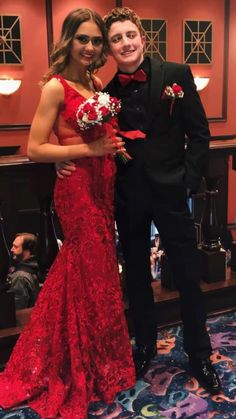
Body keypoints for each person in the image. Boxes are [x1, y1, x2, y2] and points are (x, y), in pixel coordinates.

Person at [57, 7, 222, 394]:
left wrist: (187, 183)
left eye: (129, 35)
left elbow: (199, 134)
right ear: (110, 49)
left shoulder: (176, 75)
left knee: (187, 275)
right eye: (115, 39)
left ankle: (199, 351)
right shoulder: (106, 92)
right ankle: (145, 344)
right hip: (129, 197)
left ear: (142, 37)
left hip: (172, 193)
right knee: (136, 277)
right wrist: (60, 160)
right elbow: (81, 139)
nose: (124, 43)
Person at [0, 8, 135, 419]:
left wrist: (113, 146)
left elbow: (96, 132)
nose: (92, 47)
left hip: (102, 184)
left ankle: (94, 357)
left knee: (95, 273)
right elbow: (35, 149)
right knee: (86, 266)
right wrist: (86, 151)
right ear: (69, 40)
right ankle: (73, 361)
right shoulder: (56, 87)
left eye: (97, 40)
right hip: (77, 190)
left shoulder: (93, 82)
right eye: (84, 39)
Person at [6, 233, 40, 310]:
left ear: (27, 250)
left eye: (16, 247)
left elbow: (16, 310)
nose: (11, 249)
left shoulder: (20, 277)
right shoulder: (36, 268)